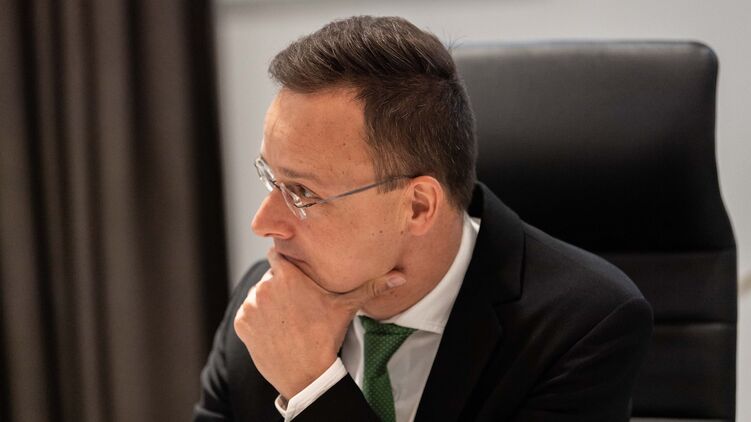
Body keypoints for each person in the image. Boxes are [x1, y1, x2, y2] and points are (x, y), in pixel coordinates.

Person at [194, 16, 653, 422]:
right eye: (270, 178)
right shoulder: (265, 310)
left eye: (301, 192)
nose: (263, 223)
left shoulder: (582, 327)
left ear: (417, 207)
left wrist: (312, 388)